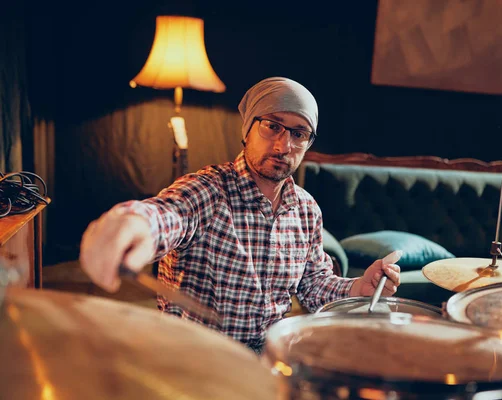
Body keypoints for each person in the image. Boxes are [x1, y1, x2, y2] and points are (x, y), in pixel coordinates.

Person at [79, 77, 401, 353]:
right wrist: (132, 223)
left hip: (267, 358)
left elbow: (314, 286)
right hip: (192, 357)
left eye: (298, 134)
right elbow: (166, 214)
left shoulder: (305, 210)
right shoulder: (208, 190)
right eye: (272, 126)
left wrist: (359, 288)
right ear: (248, 129)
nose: (283, 145)